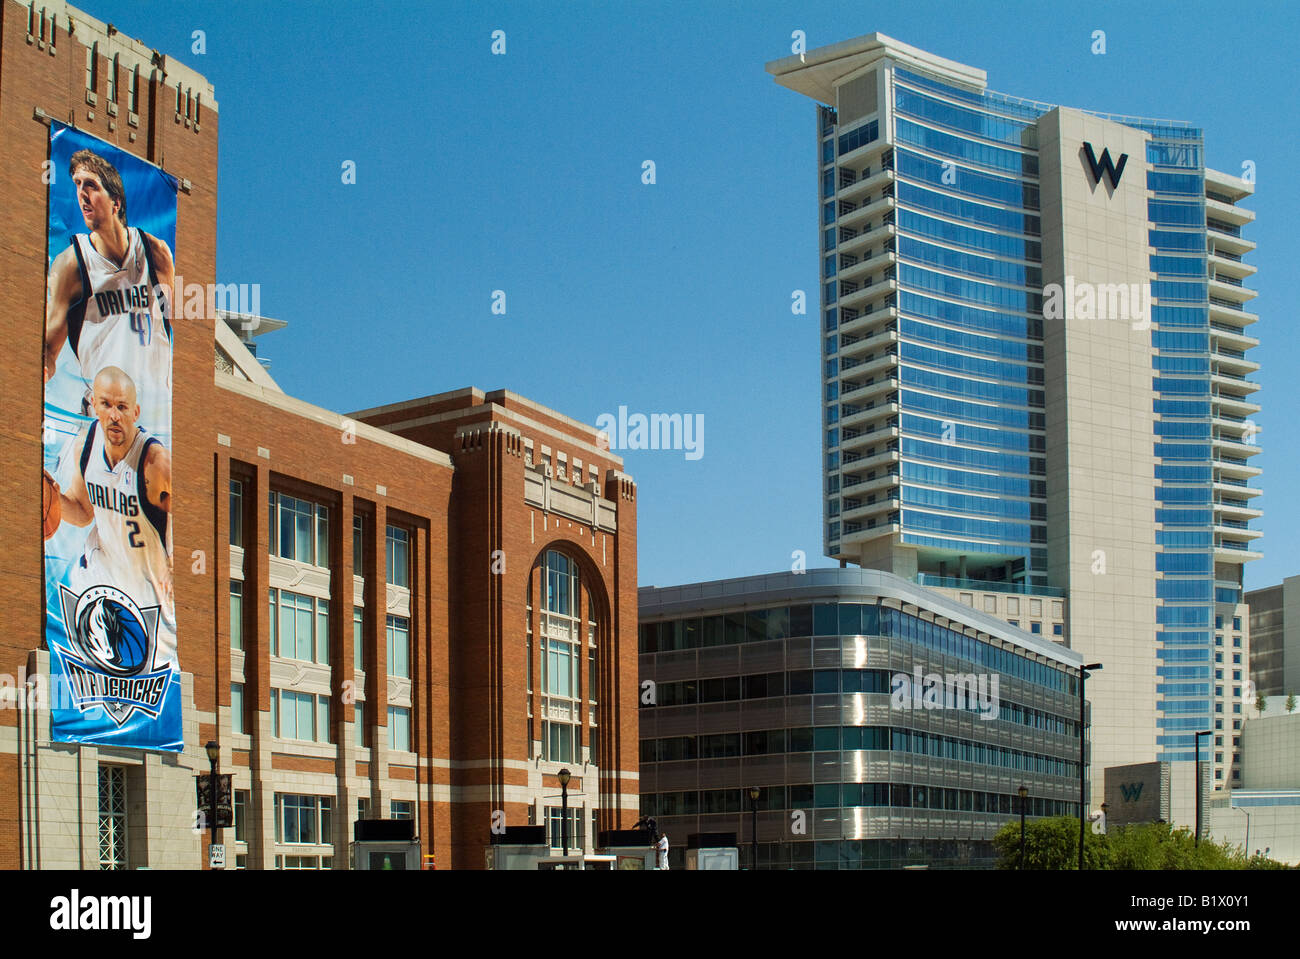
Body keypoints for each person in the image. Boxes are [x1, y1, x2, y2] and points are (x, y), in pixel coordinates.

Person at [50, 366, 174, 667]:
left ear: (136, 412)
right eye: (106, 404)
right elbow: (81, 513)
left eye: (122, 407)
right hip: (100, 577)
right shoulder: (87, 444)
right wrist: (51, 499)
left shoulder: (154, 462)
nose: (114, 415)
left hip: (146, 592)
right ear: (94, 404)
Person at [44, 148, 173, 433]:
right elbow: (48, 351)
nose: (81, 193)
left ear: (116, 202)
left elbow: (173, 332)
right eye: (77, 185)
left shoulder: (156, 253)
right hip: (102, 415)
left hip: (154, 415)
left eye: (90, 185)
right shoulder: (71, 263)